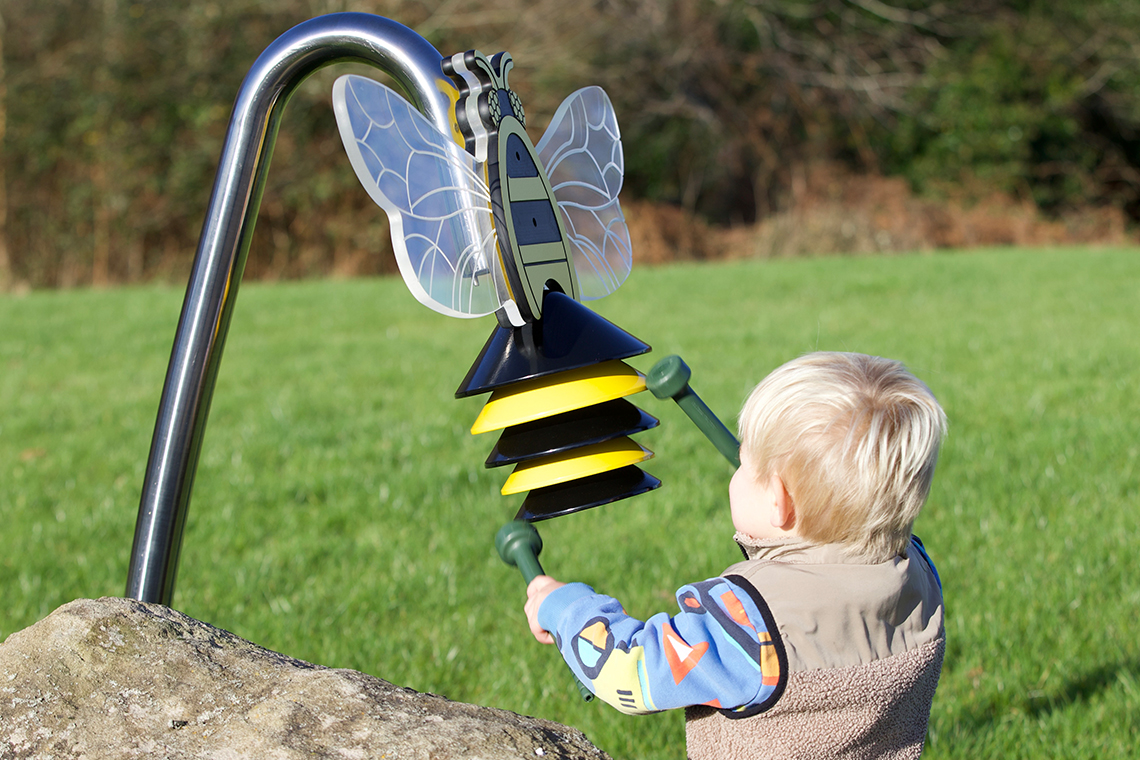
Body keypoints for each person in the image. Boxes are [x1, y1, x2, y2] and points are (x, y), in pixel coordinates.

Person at [523, 352, 948, 759]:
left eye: (744, 464)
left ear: (779, 503)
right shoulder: (917, 576)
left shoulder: (754, 626)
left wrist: (561, 606)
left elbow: (632, 669)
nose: (735, 471)